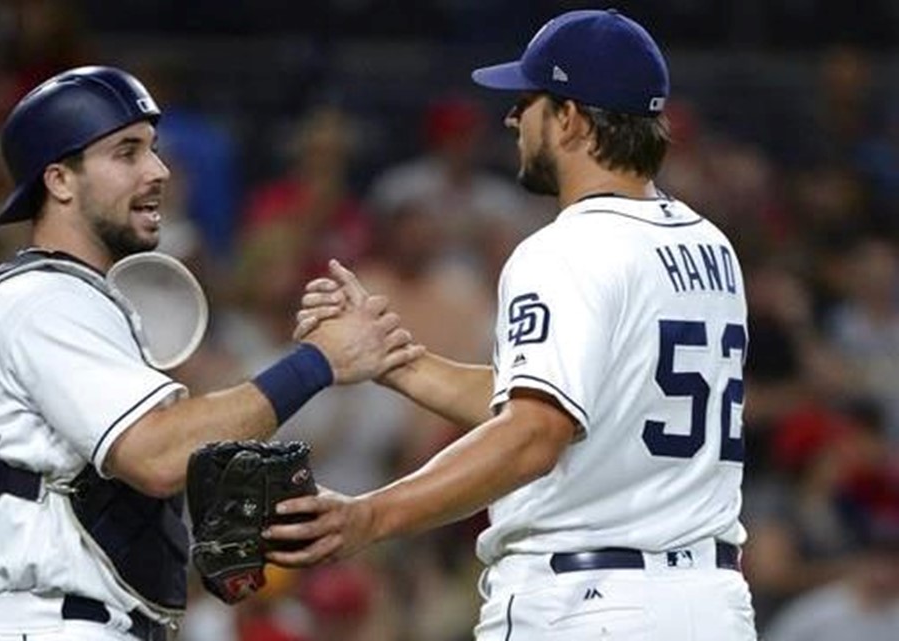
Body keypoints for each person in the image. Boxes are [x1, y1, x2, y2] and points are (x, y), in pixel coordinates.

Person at [266, 9, 758, 640]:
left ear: (572, 118)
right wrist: (396, 361)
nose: (511, 119)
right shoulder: (709, 246)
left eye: (528, 102)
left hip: (589, 605)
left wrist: (369, 516)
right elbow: (570, 405)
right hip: (708, 603)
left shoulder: (566, 249)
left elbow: (534, 433)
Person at [0, 65, 417, 641]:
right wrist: (317, 362)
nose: (159, 170)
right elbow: (156, 455)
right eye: (127, 152)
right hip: (51, 622)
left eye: (153, 150)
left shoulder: (80, 300)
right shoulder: (43, 299)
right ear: (60, 180)